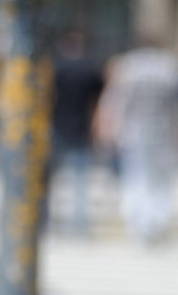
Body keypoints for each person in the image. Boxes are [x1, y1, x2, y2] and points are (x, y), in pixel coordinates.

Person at [95, 37, 178, 246]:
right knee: (160, 182)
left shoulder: (127, 67)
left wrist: (109, 131)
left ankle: (138, 224)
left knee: (135, 178)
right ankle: (155, 222)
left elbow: (115, 103)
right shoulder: (171, 68)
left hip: (133, 133)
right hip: (164, 134)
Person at [48, 30, 105, 234]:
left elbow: (49, 98)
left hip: (58, 126)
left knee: (49, 179)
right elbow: (97, 102)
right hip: (81, 128)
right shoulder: (90, 70)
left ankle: (45, 221)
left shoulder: (57, 68)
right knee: (79, 181)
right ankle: (79, 225)